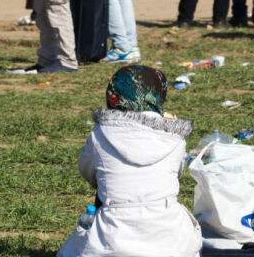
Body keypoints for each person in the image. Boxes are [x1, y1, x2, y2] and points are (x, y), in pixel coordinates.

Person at [56, 65, 200, 257]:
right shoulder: (174, 137)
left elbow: (87, 170)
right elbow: (177, 174)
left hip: (112, 240)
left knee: (70, 250)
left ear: (113, 95)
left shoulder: (100, 134)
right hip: (171, 241)